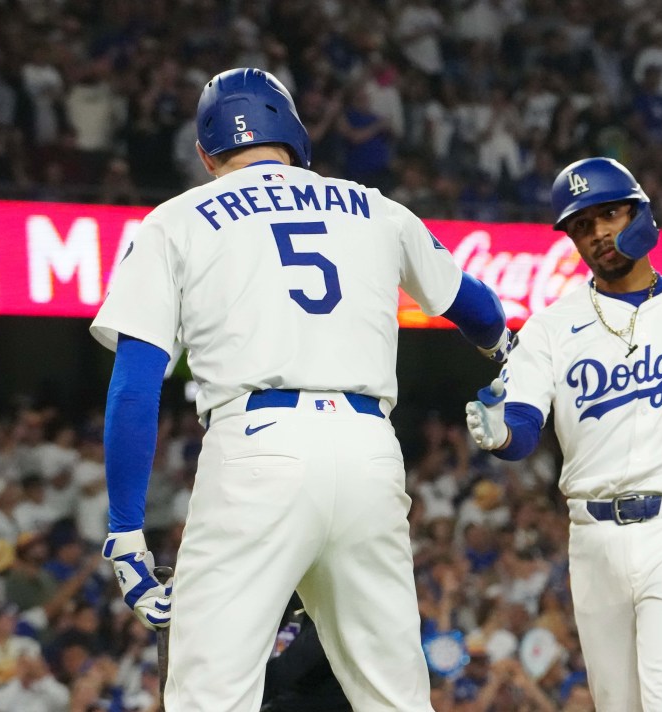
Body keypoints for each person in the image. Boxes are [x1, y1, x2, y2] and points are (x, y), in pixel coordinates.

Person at [89, 68, 512, 712]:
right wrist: (504, 353)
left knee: (211, 695)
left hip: (258, 447)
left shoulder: (177, 219)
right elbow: (476, 308)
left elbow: (135, 385)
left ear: (207, 155)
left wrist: (125, 529)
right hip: (370, 449)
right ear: (295, 138)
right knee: (394, 697)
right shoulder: (374, 206)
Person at [465, 157, 662, 711]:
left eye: (609, 214)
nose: (598, 234)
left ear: (640, 212)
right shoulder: (551, 326)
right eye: (582, 226)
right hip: (593, 536)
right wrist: (498, 436)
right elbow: (523, 427)